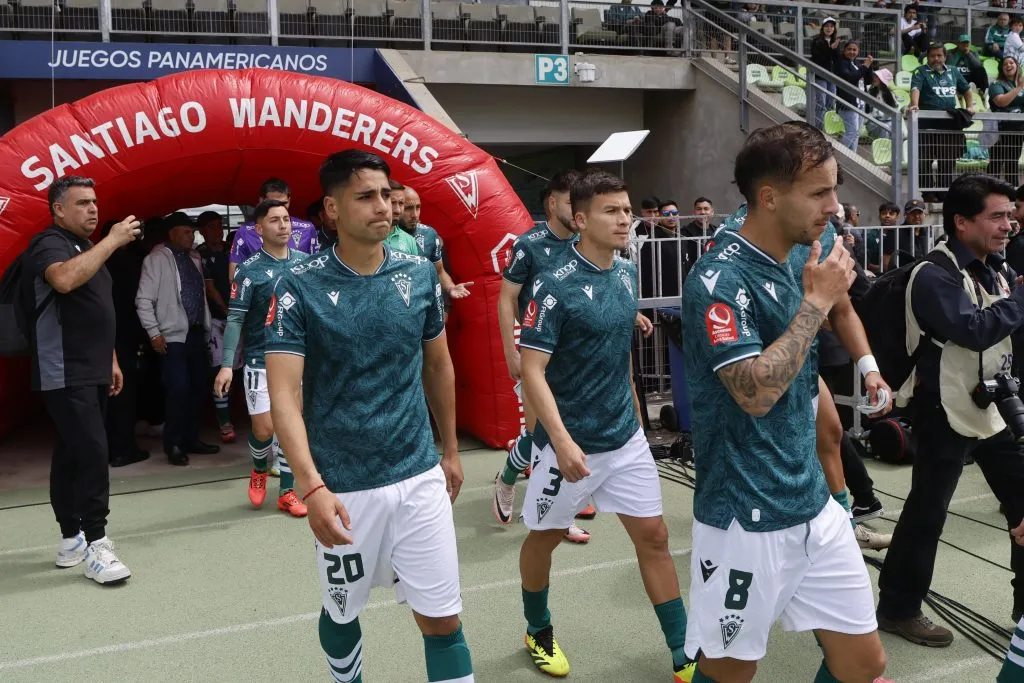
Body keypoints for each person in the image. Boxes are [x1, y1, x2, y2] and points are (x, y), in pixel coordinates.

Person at [682, 123, 888, 682]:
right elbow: (753, 393)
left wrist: (859, 354)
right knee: (729, 674)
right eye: (820, 193)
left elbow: (832, 315)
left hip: (811, 503)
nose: (836, 206)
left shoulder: (799, 255)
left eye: (835, 189)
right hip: (744, 519)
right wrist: (817, 301)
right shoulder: (719, 277)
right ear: (770, 198)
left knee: (864, 663)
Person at [266, 149, 474, 683]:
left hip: (419, 472)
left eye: (387, 194)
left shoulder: (420, 274)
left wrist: (449, 451)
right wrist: (311, 488)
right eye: (366, 196)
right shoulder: (297, 285)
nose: (384, 206)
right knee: (342, 611)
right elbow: (284, 396)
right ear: (331, 209)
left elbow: (438, 364)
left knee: (443, 617)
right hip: (344, 486)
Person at [516, 169, 695, 682]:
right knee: (543, 539)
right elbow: (532, 370)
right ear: (580, 219)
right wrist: (563, 442)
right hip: (567, 447)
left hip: (625, 438)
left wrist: (636, 419)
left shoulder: (625, 272)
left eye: (627, 209)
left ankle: (682, 652)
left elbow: (617, 356)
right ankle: (537, 627)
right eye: (612, 211)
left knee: (655, 537)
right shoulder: (552, 285)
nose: (625, 219)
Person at [877, 174, 1024, 645]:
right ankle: (898, 608)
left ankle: (1023, 617)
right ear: (961, 222)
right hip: (943, 407)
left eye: (1011, 214)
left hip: (990, 404)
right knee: (927, 512)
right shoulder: (933, 273)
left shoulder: (994, 267)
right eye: (997, 216)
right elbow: (972, 329)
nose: (1010, 223)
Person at [25, 175, 139, 585]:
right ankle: (96, 542)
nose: (93, 209)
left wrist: (110, 359)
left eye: (95, 202)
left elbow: (93, 307)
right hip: (63, 367)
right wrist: (112, 240)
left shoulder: (87, 248)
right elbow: (63, 280)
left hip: (91, 367)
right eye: (82, 203)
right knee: (92, 449)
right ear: (58, 209)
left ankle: (70, 538)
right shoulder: (50, 243)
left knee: (73, 451)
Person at [494, 170, 595, 544]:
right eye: (572, 201)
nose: (579, 209)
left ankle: (554, 509)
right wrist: (510, 350)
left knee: (563, 433)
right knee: (542, 436)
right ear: (552, 203)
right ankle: (510, 485)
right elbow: (506, 299)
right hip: (536, 353)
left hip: (576, 356)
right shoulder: (529, 245)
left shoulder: (586, 242)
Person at [214, 199, 308, 518]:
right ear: (259, 229)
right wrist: (227, 364)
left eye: (286, 219)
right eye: (275, 220)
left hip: (296, 361)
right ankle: (258, 468)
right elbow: (236, 320)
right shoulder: (249, 270)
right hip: (259, 361)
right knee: (265, 429)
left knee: (291, 426)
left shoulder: (307, 264)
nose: (283, 225)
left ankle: (288, 491)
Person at [136, 212, 218, 466]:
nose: (191, 236)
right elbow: (143, 300)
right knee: (178, 389)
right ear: (171, 233)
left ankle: (190, 439)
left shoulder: (194, 258)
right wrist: (154, 332)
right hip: (171, 336)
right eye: (186, 231)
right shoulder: (156, 259)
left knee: (197, 388)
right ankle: (172, 443)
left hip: (194, 332)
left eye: (192, 232)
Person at [197, 210, 237, 444]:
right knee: (222, 368)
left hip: (238, 318)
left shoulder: (230, 250)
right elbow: (210, 289)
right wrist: (227, 310)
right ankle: (224, 421)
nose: (217, 230)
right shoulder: (200, 255)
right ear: (201, 230)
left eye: (219, 225)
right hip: (217, 320)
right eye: (211, 226)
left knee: (239, 369)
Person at [228, 177, 319, 281]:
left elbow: (316, 272)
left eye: (284, 203)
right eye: (273, 203)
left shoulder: (307, 229)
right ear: (261, 201)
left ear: (289, 200)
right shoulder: (245, 232)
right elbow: (234, 278)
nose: (279, 208)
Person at [403, 185, 472, 301]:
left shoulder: (429, 233)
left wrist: (451, 288)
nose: (414, 214)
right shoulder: (381, 236)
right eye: (408, 208)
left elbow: (439, 271)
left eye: (418, 207)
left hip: (424, 305)